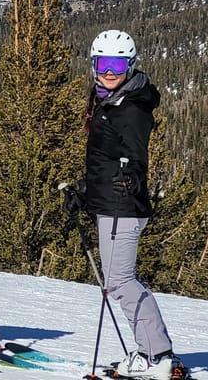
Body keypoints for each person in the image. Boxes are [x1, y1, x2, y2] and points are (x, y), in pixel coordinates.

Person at [64, 29, 174, 380]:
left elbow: (134, 154)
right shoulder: (108, 101)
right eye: (104, 64)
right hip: (110, 202)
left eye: (117, 64)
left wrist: (132, 178)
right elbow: (106, 160)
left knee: (121, 282)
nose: (110, 72)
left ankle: (156, 356)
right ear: (94, 65)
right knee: (123, 280)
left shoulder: (131, 107)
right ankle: (152, 352)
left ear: (130, 65)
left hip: (121, 207)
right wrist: (85, 192)